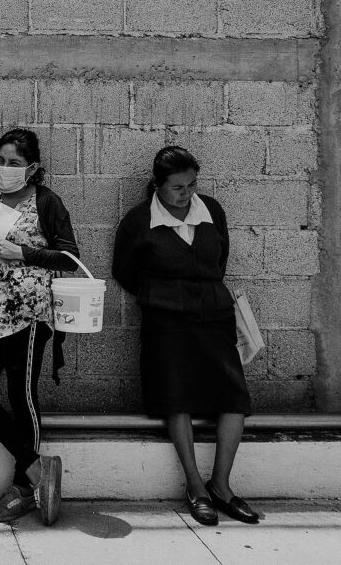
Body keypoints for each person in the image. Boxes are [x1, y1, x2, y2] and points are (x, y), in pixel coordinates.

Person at [112, 146, 257, 526]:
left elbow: (219, 260)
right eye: (177, 187)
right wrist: (165, 295)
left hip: (215, 316)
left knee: (234, 398)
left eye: (192, 185)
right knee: (176, 399)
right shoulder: (139, 221)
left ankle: (222, 486)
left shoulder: (211, 210)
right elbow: (125, 271)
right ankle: (195, 487)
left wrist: (201, 293)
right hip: (167, 322)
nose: (186, 193)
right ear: (157, 185)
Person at [0, 128, 80, 527]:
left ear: (32, 168)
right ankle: (36, 467)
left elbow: (69, 257)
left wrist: (21, 251)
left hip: (28, 318)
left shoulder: (46, 202)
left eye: (13, 163)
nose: (4, 169)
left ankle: (24, 490)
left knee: (21, 394)